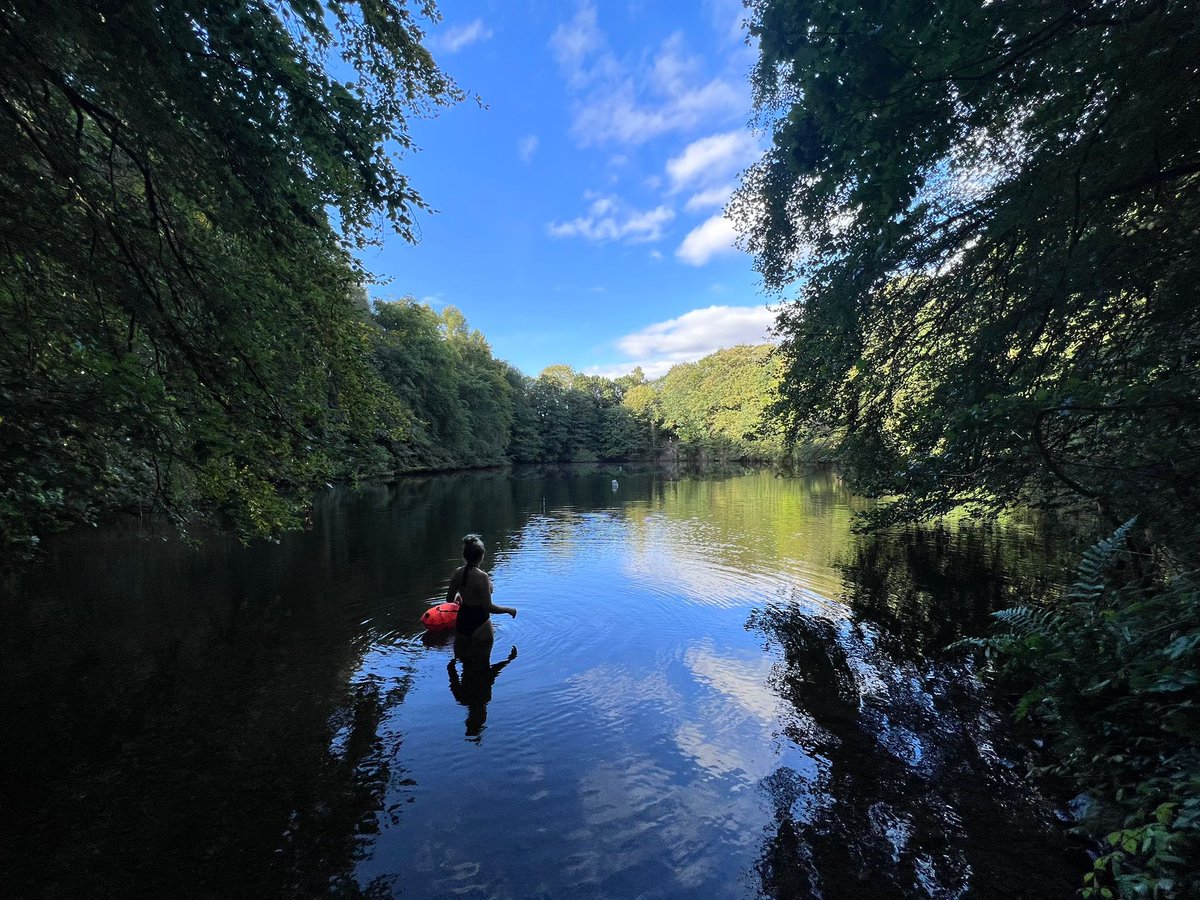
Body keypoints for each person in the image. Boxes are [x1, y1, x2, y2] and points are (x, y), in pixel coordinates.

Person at [446, 533, 516, 641]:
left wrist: (460, 595)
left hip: (462, 619)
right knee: (483, 655)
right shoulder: (482, 576)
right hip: (479, 621)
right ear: (482, 555)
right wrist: (508, 610)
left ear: (464, 555)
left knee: (463, 654)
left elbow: (449, 599)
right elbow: (488, 607)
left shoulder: (457, 572)